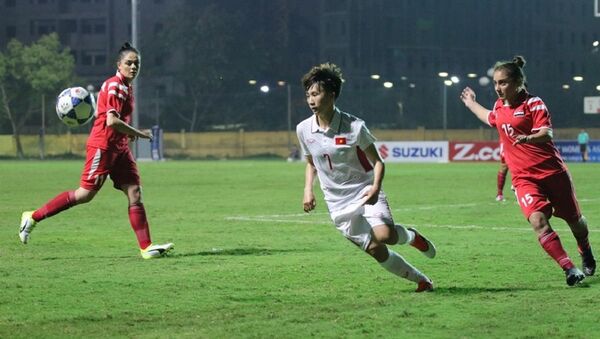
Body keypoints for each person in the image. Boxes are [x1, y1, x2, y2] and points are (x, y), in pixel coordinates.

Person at [18, 42, 174, 259]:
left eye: (136, 63)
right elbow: (111, 121)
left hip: (118, 148)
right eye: (128, 63)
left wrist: (127, 134)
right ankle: (32, 217)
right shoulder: (114, 86)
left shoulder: (127, 88)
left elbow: (113, 120)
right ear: (118, 65)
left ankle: (146, 248)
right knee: (85, 195)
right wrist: (139, 133)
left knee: (134, 192)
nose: (133, 67)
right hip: (103, 146)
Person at [296, 63, 436, 292]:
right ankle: (422, 281)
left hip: (364, 189)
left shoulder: (354, 126)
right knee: (375, 249)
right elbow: (311, 162)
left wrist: (375, 187)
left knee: (385, 235)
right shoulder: (303, 129)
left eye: (316, 94)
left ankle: (412, 237)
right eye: (308, 95)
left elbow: (378, 162)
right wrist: (308, 190)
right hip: (337, 202)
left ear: (331, 95)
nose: (311, 100)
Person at [460, 55, 595, 286]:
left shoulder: (534, 103)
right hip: (524, 178)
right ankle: (569, 268)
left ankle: (586, 250)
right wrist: (471, 103)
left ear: (517, 83)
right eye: (495, 83)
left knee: (575, 221)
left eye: (503, 82)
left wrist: (528, 138)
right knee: (538, 222)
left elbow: (547, 133)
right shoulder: (499, 107)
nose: (498, 88)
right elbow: (490, 118)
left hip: (553, 173)